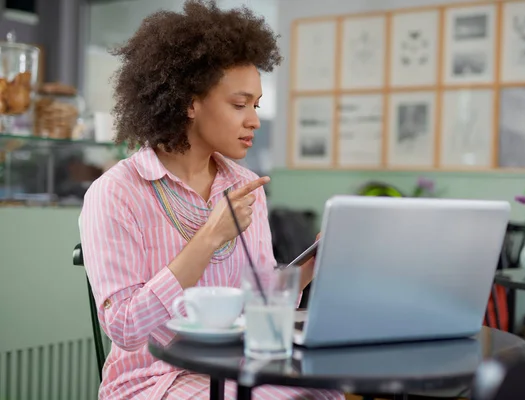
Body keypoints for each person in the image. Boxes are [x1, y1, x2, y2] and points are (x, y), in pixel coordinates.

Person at [79, 1, 342, 399]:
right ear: (189, 102)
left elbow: (259, 300)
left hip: (237, 366)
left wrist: (312, 265)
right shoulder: (116, 192)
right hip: (153, 378)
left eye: (255, 105)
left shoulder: (245, 184)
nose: (253, 119)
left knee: (325, 393)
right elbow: (126, 329)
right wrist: (207, 239)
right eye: (239, 105)